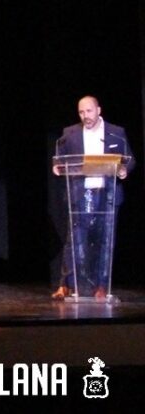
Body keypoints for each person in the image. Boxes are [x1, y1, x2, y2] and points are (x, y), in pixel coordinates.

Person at [51, 95, 136, 299]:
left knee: (105, 241)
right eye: (81, 112)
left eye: (89, 111)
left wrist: (123, 169)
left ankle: (101, 286)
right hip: (80, 193)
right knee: (74, 241)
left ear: (99, 110)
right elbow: (60, 158)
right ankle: (66, 285)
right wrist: (57, 166)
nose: (85, 116)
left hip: (107, 195)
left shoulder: (116, 133)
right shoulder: (69, 134)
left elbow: (130, 159)